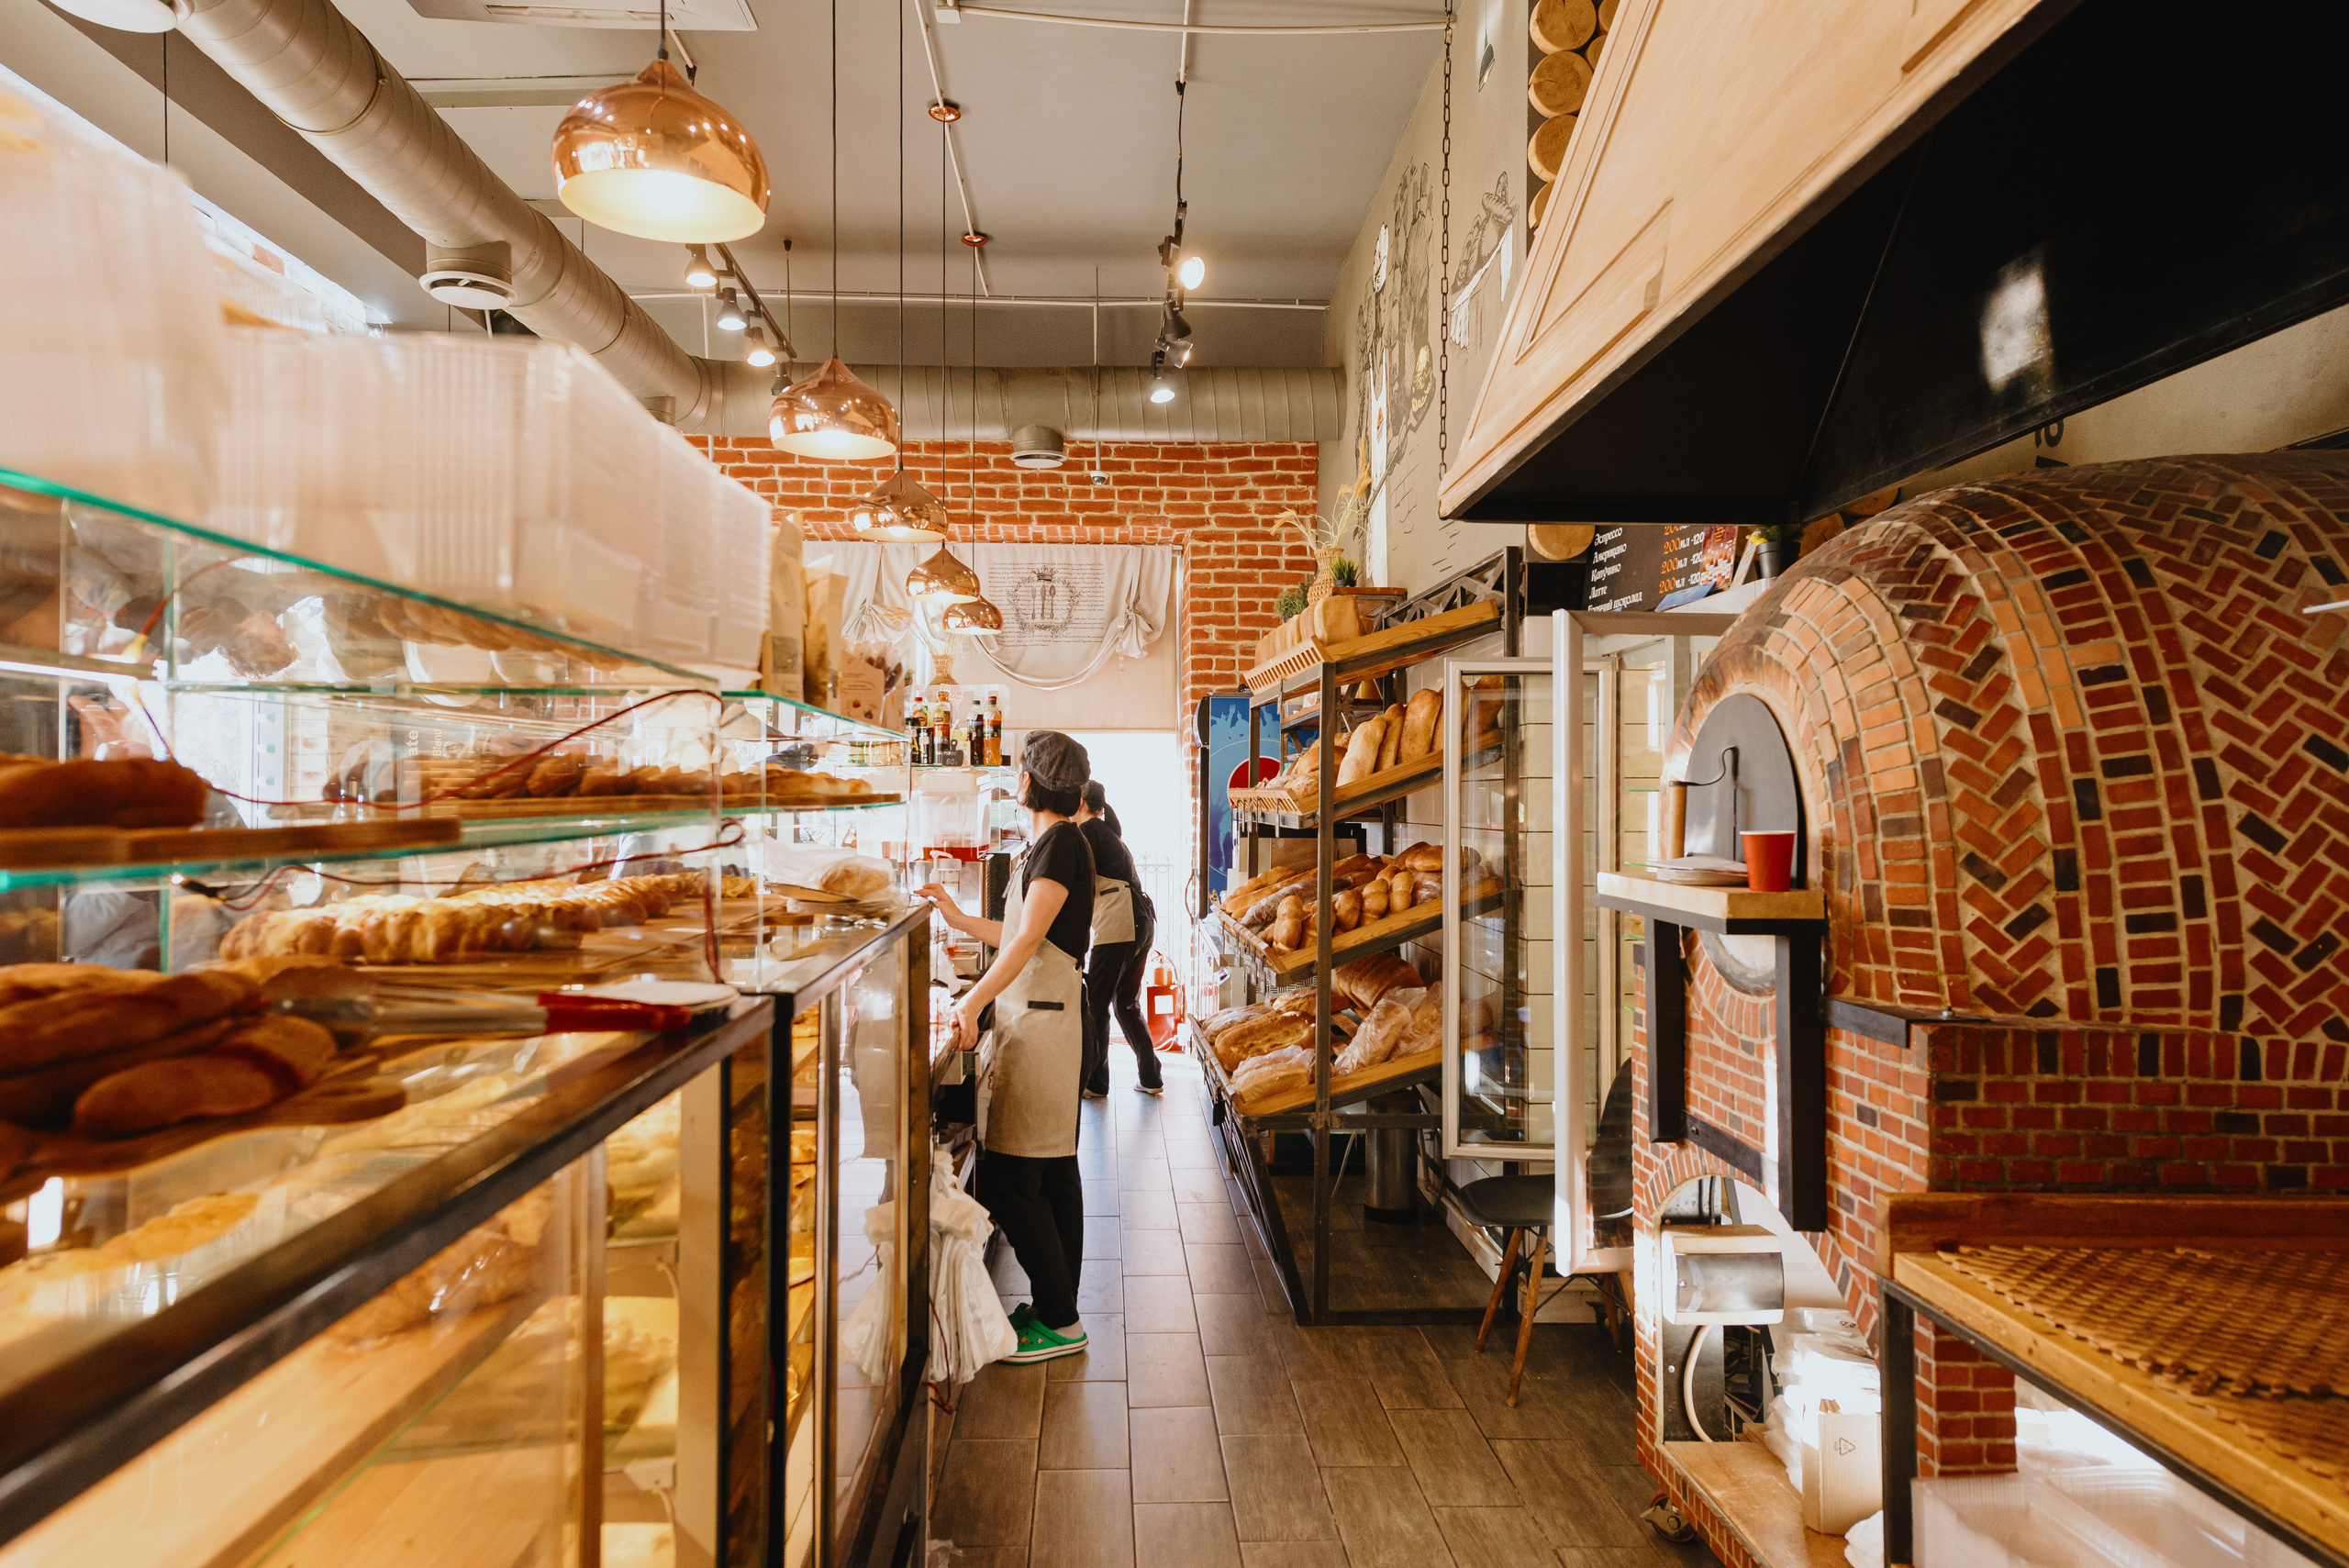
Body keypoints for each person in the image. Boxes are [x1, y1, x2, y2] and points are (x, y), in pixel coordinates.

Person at [918, 730, 1097, 1364]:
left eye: (1018, 770)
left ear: (1029, 783)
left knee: (1009, 1181)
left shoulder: (1061, 845)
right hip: (1040, 1021)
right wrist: (959, 919)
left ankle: (1062, 1316)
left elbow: (1025, 945)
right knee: (1049, 1175)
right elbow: (1021, 933)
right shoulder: (1051, 843)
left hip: (1044, 1028)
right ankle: (1058, 1306)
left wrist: (968, 1002)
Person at [1076, 780, 1161, 1096]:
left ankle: (1097, 1082)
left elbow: (1076, 885)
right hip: (1143, 921)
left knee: (1096, 1002)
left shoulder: (1089, 832)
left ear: (1080, 802)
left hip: (1120, 922)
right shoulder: (1108, 833)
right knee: (1125, 1003)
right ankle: (1150, 1076)